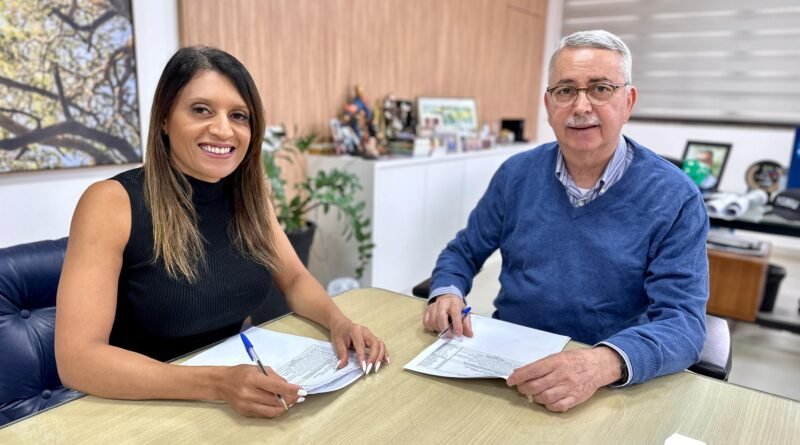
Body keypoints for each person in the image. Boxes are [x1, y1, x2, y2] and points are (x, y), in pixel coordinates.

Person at [55, 46, 388, 419]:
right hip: (139, 407)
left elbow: (294, 278)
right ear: (164, 118)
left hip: (230, 399)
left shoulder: (249, 195)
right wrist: (217, 384)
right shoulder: (110, 202)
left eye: (238, 115)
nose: (223, 129)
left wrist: (339, 322)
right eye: (201, 110)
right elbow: (78, 360)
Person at [422, 30, 708, 412]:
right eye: (566, 90)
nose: (581, 106)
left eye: (601, 89)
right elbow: (463, 251)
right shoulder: (516, 175)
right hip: (509, 365)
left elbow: (683, 322)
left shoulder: (676, 197)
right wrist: (447, 292)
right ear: (548, 103)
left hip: (607, 379)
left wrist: (603, 363)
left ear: (628, 101)